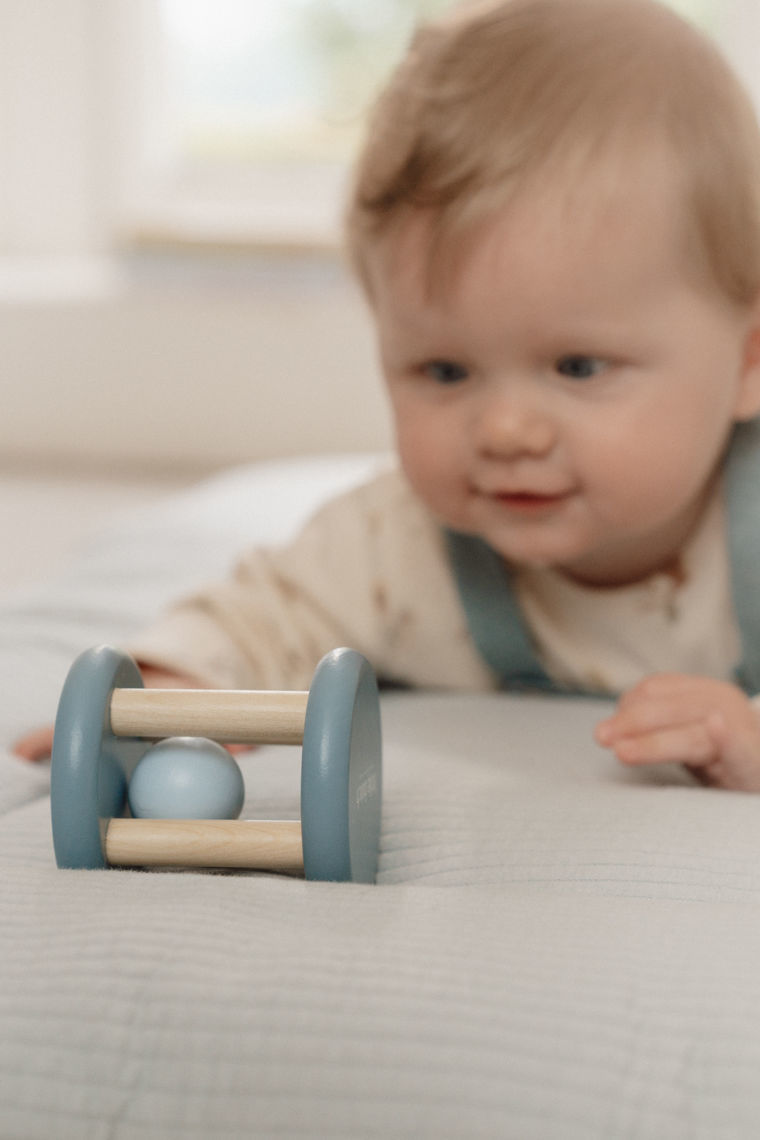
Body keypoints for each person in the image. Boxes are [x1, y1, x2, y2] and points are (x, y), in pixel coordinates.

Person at [15, 0, 760, 789]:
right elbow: (262, 614)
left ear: (749, 363)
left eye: (578, 367)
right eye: (445, 371)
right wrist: (172, 695)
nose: (506, 430)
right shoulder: (403, 548)